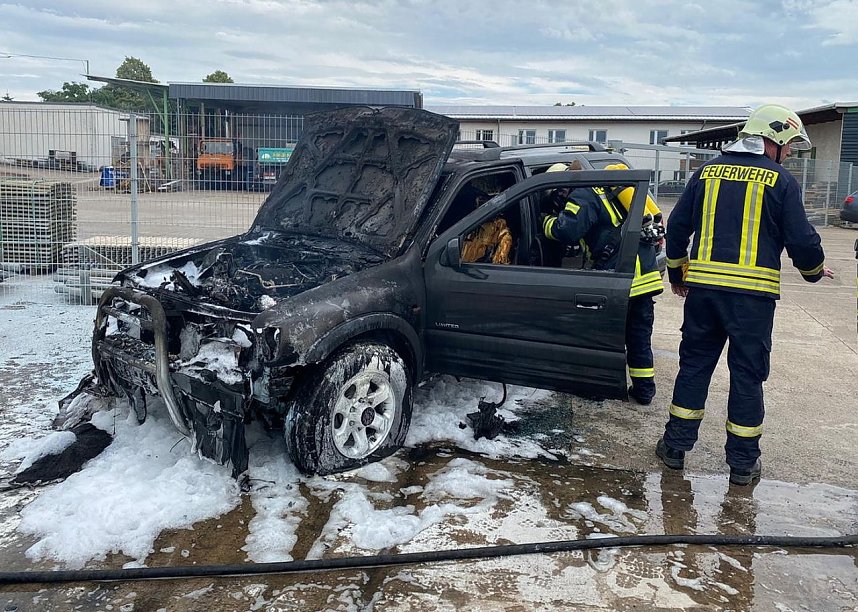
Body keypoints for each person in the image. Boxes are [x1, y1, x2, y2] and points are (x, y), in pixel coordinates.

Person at [656, 103, 834, 486]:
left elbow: (677, 228)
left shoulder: (705, 172)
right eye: (788, 147)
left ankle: (674, 448)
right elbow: (802, 239)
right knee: (747, 377)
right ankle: (741, 465)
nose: (788, 154)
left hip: (703, 293)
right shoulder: (781, 181)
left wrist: (676, 272)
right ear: (775, 139)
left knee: (695, 367)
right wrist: (814, 271)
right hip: (753, 301)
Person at [541, 161, 663, 404]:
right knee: (639, 335)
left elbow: (567, 230)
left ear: (562, 187)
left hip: (618, 276)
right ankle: (644, 390)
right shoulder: (607, 188)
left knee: (603, 335)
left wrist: (545, 222)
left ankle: (597, 387)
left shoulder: (583, 195)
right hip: (644, 276)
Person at [460, 185, 514, 265]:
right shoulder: (469, 226)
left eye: (483, 201)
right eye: (477, 204)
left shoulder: (502, 233)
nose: (478, 207)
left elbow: (498, 266)